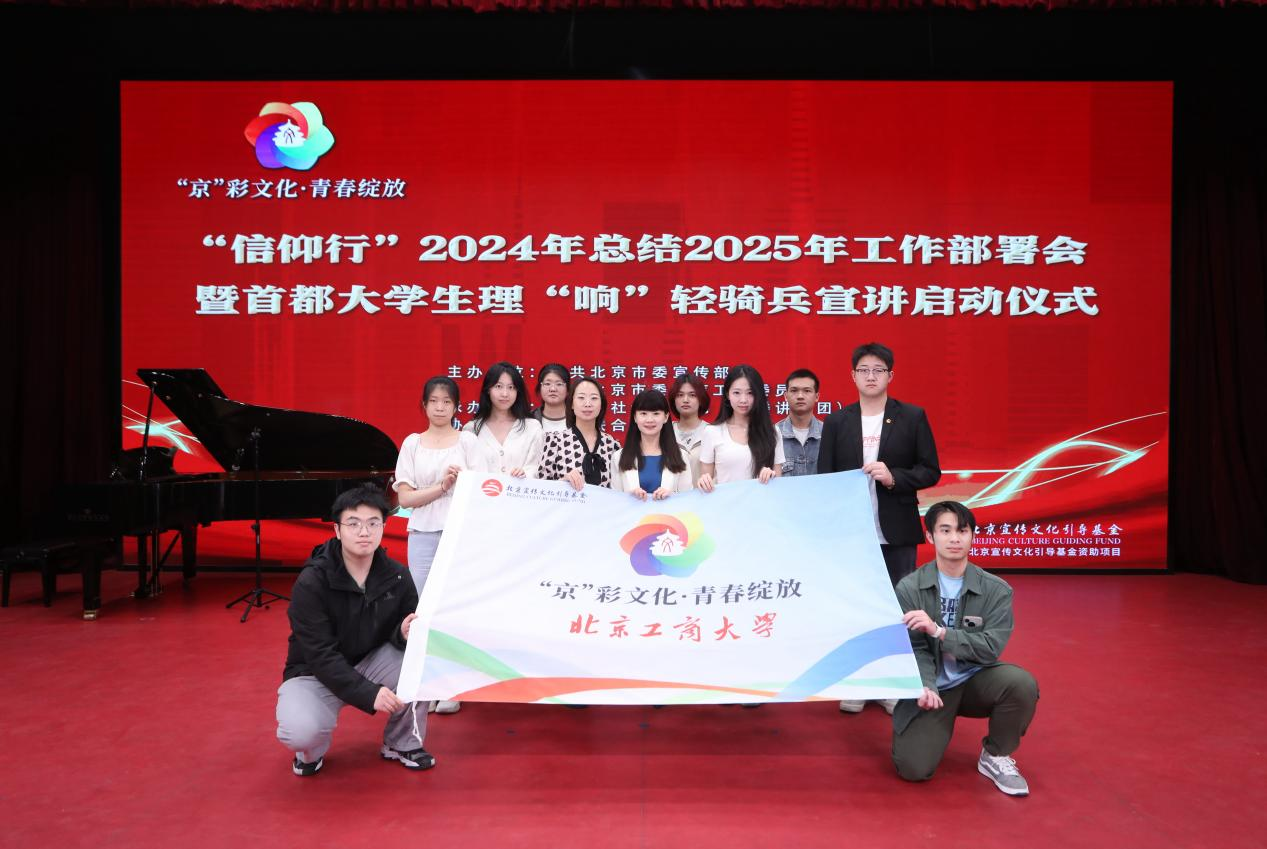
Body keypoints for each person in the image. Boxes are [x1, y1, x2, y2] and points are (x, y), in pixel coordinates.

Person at [275, 485, 433, 776]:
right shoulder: (312, 581)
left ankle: (401, 742)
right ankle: (311, 751)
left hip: (370, 663)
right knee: (300, 732)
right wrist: (368, 692)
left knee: (421, 662)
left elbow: (404, 628)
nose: (364, 532)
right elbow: (319, 655)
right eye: (354, 524)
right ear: (337, 530)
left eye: (373, 523)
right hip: (314, 674)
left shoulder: (398, 575)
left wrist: (402, 633)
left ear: (383, 527)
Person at [819, 343, 939, 714]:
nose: (871, 376)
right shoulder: (838, 422)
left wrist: (894, 477)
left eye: (878, 370)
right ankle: (858, 683)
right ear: (853, 375)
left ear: (890, 376)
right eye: (864, 370)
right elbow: (825, 478)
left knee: (896, 606)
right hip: (852, 534)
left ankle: (890, 683)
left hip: (896, 530)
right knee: (855, 605)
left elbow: (930, 471)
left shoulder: (912, 417)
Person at [892, 501, 1038, 796]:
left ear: (972, 535)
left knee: (1020, 684)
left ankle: (995, 754)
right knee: (913, 768)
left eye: (962, 531)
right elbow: (913, 647)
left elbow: (990, 648)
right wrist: (925, 685)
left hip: (975, 681)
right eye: (945, 530)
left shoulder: (996, 589)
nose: (954, 538)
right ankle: (928, 720)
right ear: (930, 536)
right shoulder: (909, 588)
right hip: (934, 690)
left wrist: (939, 631)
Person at [394, 375, 483, 715]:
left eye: (447, 401)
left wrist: (457, 487)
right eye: (434, 401)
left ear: (456, 406)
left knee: (454, 606)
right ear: (424, 405)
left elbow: (482, 488)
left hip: (460, 532)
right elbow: (405, 498)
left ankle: (453, 685)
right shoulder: (412, 444)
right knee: (423, 608)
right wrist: (442, 488)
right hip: (422, 532)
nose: (440, 407)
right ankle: (426, 682)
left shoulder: (468, 441)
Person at [697, 364, 783, 492]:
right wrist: (703, 481)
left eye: (750, 393)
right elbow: (706, 480)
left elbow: (778, 481)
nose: (743, 400)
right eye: (736, 393)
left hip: (762, 502)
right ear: (727, 394)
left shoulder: (772, 431)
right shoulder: (712, 432)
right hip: (725, 503)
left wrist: (771, 476)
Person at [464, 361, 544, 478]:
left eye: (511, 387)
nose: (505, 394)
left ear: (517, 391)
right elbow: (467, 472)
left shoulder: (532, 427)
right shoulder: (471, 429)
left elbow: (537, 467)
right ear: (488, 389)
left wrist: (525, 473)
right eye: (498, 386)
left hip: (520, 489)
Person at [539, 376, 622, 489]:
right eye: (581, 397)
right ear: (572, 404)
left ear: (601, 404)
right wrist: (563, 481)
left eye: (594, 398)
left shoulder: (612, 445)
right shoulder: (555, 441)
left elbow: (620, 489)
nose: (587, 404)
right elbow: (541, 487)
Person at [614, 389, 694, 498]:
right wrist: (630, 497)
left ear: (666, 417)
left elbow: (688, 499)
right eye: (643, 413)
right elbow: (616, 500)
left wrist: (671, 496)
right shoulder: (618, 457)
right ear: (635, 417)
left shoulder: (681, 456)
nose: (649, 420)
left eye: (656, 413)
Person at [777, 368, 823, 477]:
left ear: (817, 397)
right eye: (794, 391)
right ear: (785, 396)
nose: (800, 396)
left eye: (807, 391)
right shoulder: (773, 434)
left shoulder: (828, 434)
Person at [670, 373, 711, 483]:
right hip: (670, 494)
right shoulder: (665, 432)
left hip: (704, 493)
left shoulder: (712, 432)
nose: (685, 400)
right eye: (680, 395)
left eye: (692, 395)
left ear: (701, 399)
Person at [531, 362, 570, 433]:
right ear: (540, 388)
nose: (553, 389)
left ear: (568, 389)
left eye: (559, 384)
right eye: (547, 384)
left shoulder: (578, 418)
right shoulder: (529, 419)